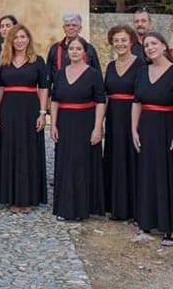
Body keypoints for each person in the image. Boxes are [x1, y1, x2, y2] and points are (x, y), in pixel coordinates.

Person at [132, 31, 173, 245]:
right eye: (146, 45)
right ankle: (147, 220)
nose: (150, 48)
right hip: (146, 127)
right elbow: (137, 102)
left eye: (154, 43)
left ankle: (169, 227)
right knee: (147, 174)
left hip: (169, 127)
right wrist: (134, 129)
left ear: (164, 46)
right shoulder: (142, 72)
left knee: (168, 176)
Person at [51, 36, 106, 221]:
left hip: (85, 123)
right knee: (65, 164)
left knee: (82, 164)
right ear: (67, 53)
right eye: (71, 49)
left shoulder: (93, 74)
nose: (74, 52)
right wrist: (53, 125)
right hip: (65, 123)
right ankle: (65, 208)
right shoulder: (60, 74)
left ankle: (82, 208)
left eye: (78, 49)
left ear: (84, 52)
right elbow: (55, 100)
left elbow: (100, 101)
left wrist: (97, 127)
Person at [0, 24, 49, 214]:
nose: (19, 41)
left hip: (30, 110)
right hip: (8, 110)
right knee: (9, 151)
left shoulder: (38, 61)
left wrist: (42, 113)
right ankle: (11, 197)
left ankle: (28, 197)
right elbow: (0, 89)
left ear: (28, 39)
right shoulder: (4, 61)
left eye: (23, 37)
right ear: (10, 40)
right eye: (16, 37)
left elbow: (44, 88)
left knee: (28, 152)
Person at [102, 25, 140, 222]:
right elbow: (106, 95)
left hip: (133, 116)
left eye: (123, 40)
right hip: (114, 117)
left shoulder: (141, 65)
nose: (120, 44)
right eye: (116, 40)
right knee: (115, 157)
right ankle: (115, 205)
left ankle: (133, 208)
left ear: (131, 41)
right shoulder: (110, 66)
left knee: (132, 159)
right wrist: (100, 122)